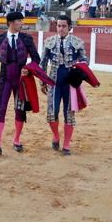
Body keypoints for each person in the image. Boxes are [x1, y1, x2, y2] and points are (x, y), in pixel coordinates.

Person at [0, 12, 41, 155]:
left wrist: (28, 69)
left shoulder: (26, 39)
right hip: (4, 78)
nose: (22, 23)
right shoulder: (0, 38)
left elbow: (36, 59)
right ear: (11, 22)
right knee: (0, 109)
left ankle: (16, 140)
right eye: (20, 20)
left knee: (19, 110)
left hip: (21, 79)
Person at [40, 15, 88, 156]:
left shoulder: (77, 42)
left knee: (69, 114)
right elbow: (43, 63)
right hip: (54, 81)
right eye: (59, 26)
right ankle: (56, 136)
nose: (60, 29)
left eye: (63, 26)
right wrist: (42, 81)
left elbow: (85, 62)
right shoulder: (49, 42)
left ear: (69, 27)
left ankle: (66, 144)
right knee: (51, 113)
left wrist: (78, 73)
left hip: (70, 83)